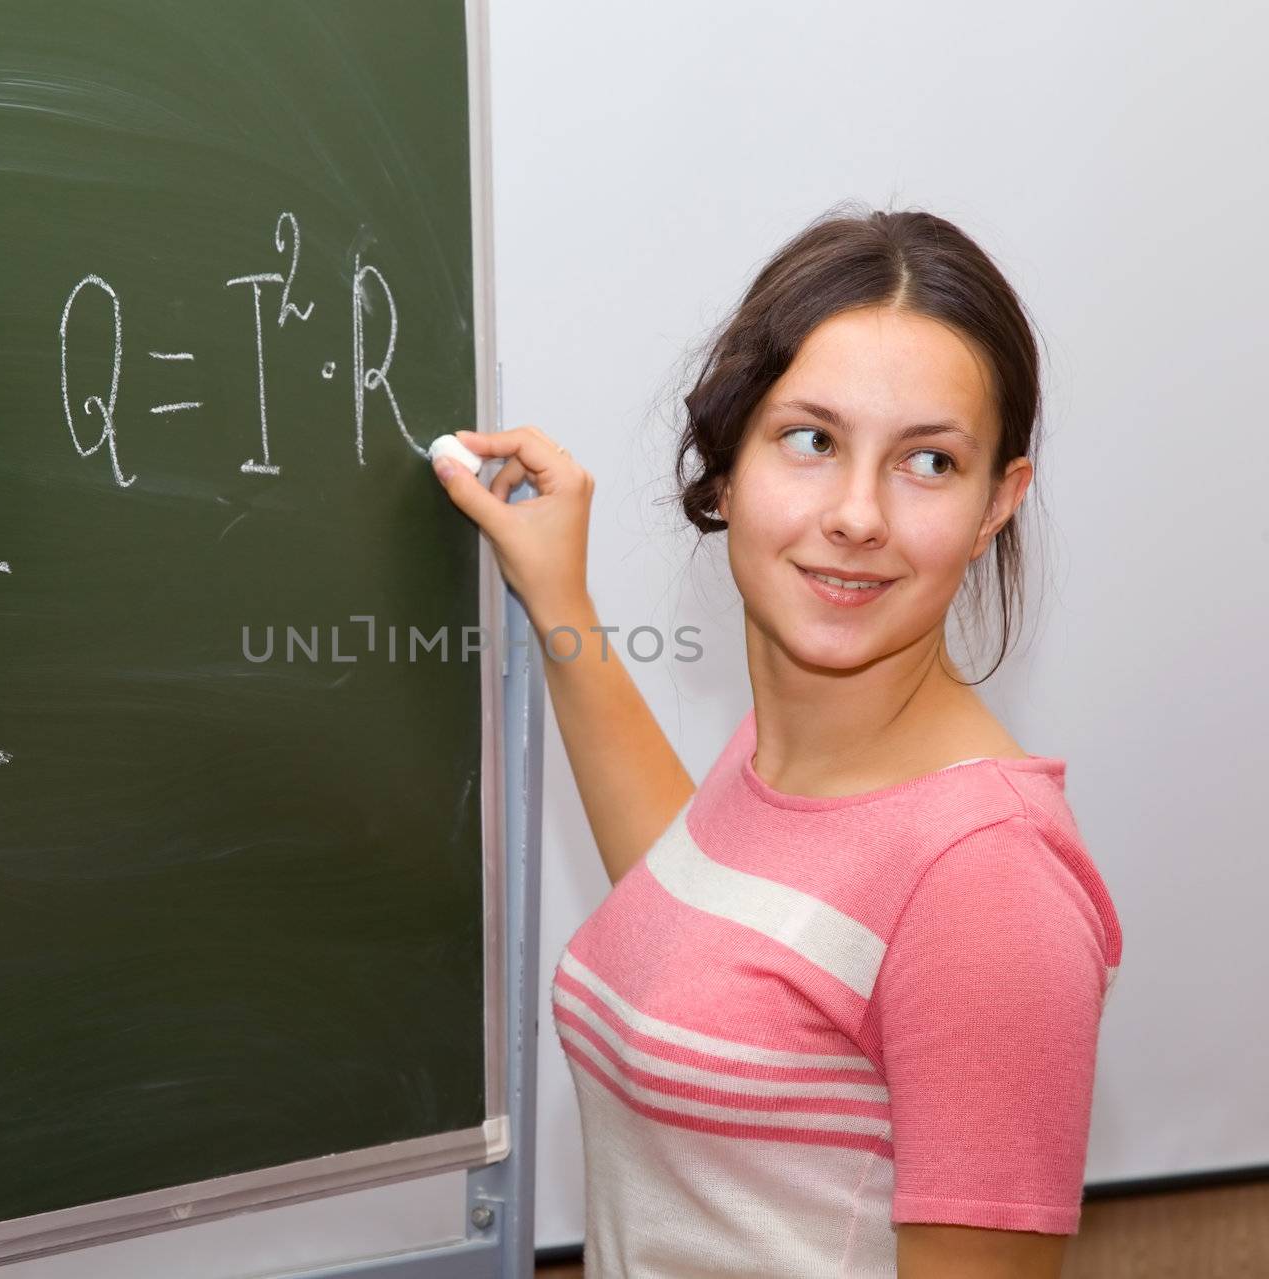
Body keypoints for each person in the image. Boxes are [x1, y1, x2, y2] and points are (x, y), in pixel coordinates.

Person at [432, 205, 1123, 1278]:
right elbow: (694, 919)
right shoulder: (782, 755)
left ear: (998, 503)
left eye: (929, 463)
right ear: (724, 461)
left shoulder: (985, 879)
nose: (856, 513)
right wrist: (557, 596)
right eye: (811, 440)